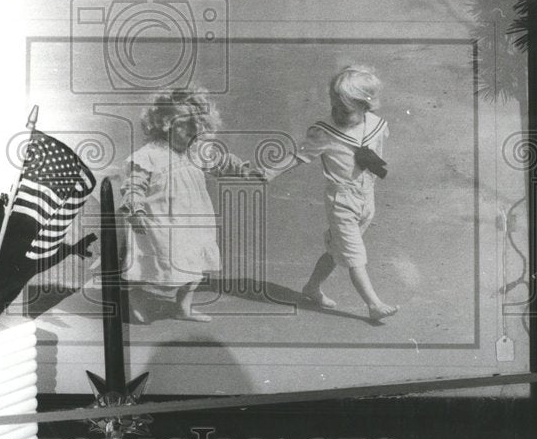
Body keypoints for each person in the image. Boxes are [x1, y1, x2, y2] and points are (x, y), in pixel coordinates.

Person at [119, 89, 261, 323]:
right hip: (163, 223)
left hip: (194, 221)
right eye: (187, 125)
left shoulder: (196, 151)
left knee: (195, 266)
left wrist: (241, 169)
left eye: (199, 126)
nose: (194, 132)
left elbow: (220, 162)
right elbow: (134, 185)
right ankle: (136, 296)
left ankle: (183, 307)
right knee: (163, 266)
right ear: (165, 123)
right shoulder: (149, 156)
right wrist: (136, 209)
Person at [272, 66, 398, 322]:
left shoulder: (376, 125)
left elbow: (377, 153)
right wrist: (270, 170)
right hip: (341, 201)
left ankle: (311, 288)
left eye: (346, 110)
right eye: (334, 107)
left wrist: (375, 169)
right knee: (355, 256)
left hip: (366, 199)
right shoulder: (324, 132)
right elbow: (299, 156)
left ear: (366, 106)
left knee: (335, 251)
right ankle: (373, 304)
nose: (338, 114)